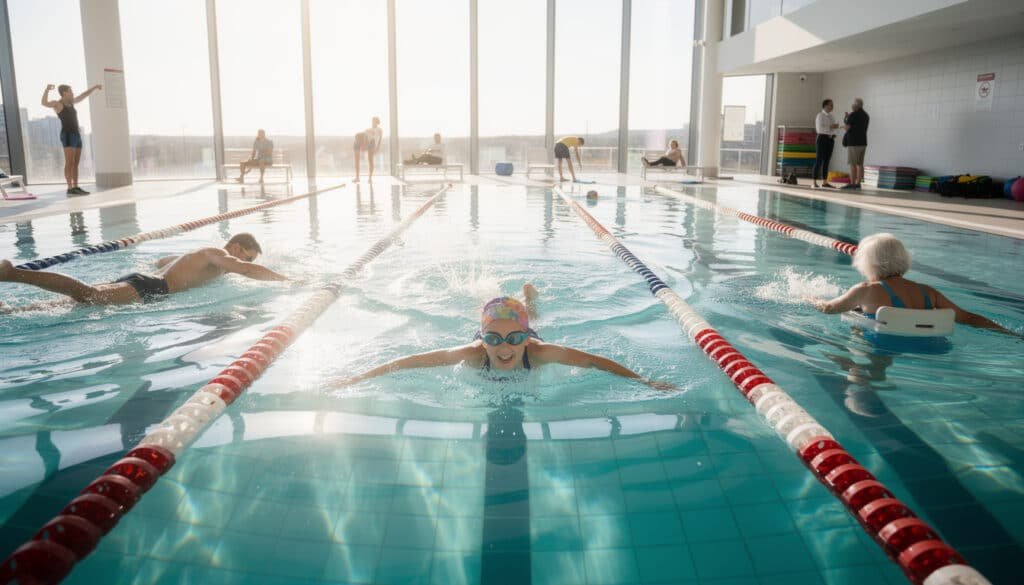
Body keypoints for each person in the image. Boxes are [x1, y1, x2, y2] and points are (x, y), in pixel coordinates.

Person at [328, 285, 673, 390]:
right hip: (498, 326)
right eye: (494, 340)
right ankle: (499, 305)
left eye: (513, 340)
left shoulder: (538, 351)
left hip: (525, 326)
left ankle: (530, 301)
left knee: (532, 316)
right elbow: (411, 362)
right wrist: (356, 379)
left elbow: (594, 361)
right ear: (482, 340)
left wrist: (645, 382)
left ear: (524, 339)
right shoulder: (473, 352)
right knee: (498, 321)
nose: (504, 349)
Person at [0, 233, 286, 310]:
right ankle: (13, 274)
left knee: (74, 302)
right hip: (152, 288)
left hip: (144, 280)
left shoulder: (204, 255)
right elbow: (246, 270)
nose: (243, 262)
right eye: (246, 255)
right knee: (88, 295)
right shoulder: (218, 254)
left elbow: (163, 261)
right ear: (235, 247)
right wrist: (285, 280)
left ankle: (11, 310)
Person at [807, 233, 1012, 334]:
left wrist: (810, 298)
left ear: (868, 263)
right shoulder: (928, 292)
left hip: (882, 346)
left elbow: (828, 308)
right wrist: (1007, 332)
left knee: (856, 333)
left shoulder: (865, 291)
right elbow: (968, 317)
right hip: (930, 344)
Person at [41, 83, 102, 196]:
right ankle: (70, 188)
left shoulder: (71, 102)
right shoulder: (58, 104)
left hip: (76, 135)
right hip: (67, 135)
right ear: (64, 93)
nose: (73, 93)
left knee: (75, 163)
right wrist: (47, 90)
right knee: (69, 163)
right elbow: (44, 103)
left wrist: (94, 87)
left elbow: (83, 95)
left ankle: (76, 187)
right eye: (70, 91)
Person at [842, 98, 869, 190]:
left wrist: (847, 118)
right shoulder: (866, 115)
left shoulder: (853, 114)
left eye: (853, 104)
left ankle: (852, 184)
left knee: (852, 164)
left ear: (856, 105)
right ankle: (858, 184)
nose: (852, 105)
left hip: (854, 143)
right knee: (860, 164)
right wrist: (847, 117)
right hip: (863, 142)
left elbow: (847, 127)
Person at [813, 99, 839, 189]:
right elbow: (819, 129)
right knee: (819, 160)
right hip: (822, 139)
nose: (832, 107)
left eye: (832, 105)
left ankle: (825, 182)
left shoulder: (832, 116)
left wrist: (834, 133)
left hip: (830, 139)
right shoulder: (820, 115)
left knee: (827, 161)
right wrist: (831, 127)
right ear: (825, 106)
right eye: (830, 105)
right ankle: (814, 182)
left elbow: (834, 128)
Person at [353, 116, 384, 182]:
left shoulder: (379, 130)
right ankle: (357, 177)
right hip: (363, 142)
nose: (373, 122)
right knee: (357, 160)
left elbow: (379, 140)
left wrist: (377, 148)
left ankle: (370, 178)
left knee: (370, 161)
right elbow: (364, 137)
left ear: (377, 122)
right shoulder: (367, 129)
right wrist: (363, 145)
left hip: (371, 144)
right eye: (372, 121)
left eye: (375, 121)